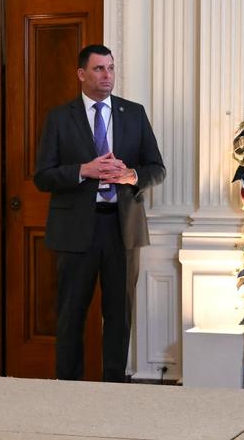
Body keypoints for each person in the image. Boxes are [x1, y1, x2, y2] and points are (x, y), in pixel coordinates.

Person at [34, 44, 165, 381]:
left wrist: (131, 175)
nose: (107, 76)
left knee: (119, 315)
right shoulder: (60, 118)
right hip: (76, 229)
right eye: (98, 69)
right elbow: (43, 176)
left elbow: (157, 168)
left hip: (122, 230)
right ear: (81, 74)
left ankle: (113, 388)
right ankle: (69, 388)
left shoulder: (133, 113)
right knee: (71, 314)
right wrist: (83, 170)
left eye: (110, 68)